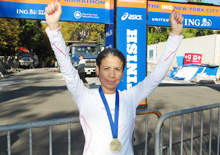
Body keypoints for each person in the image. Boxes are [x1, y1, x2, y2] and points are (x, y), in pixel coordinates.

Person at [45, 2, 183, 155]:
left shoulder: (130, 97)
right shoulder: (84, 96)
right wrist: (53, 28)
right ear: (97, 70)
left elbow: (157, 75)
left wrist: (175, 35)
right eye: (106, 68)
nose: (111, 74)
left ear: (123, 72)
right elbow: (66, 67)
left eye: (117, 69)